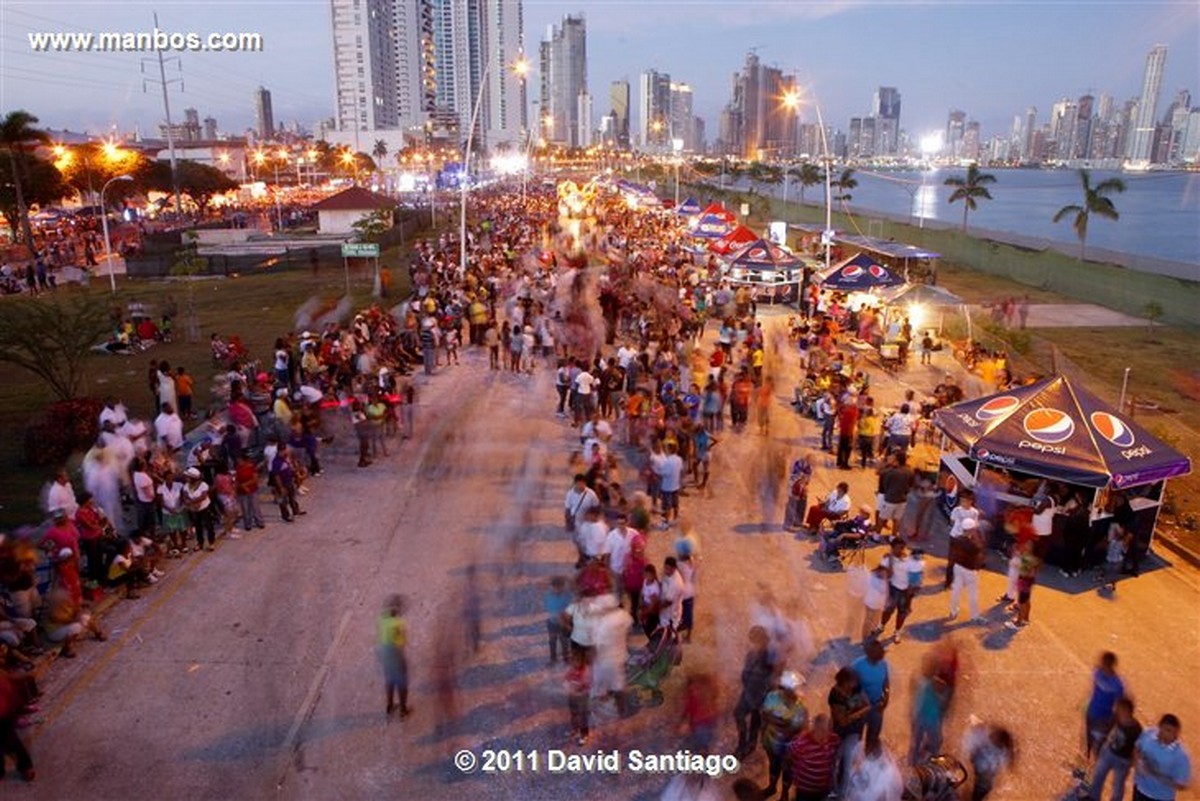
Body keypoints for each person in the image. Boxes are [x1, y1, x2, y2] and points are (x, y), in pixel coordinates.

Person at [760, 670, 808, 799]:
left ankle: (784, 793)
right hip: (772, 740)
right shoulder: (773, 697)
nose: (795, 693)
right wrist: (784, 725)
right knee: (774, 764)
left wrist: (779, 724)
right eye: (793, 689)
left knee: (788, 769)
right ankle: (772, 787)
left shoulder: (800, 706)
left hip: (789, 745)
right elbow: (764, 714)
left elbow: (803, 728)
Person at [733, 626, 775, 760]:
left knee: (754, 721)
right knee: (741, 715)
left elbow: (770, 679)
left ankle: (747, 745)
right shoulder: (752, 654)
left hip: (759, 694)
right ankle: (744, 744)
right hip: (749, 691)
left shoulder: (769, 657)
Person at [1089, 697, 1142, 801]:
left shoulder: (1136, 729)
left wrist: (1131, 763)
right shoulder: (1116, 718)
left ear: (1125, 711)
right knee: (1098, 776)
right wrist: (1101, 745)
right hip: (1109, 752)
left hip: (1123, 761)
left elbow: (1137, 749)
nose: (1115, 709)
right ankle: (1093, 798)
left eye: (1118, 708)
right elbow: (1107, 730)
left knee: (1118, 786)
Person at [829, 667, 871, 796]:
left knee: (847, 764)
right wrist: (860, 713)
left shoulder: (857, 690)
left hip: (855, 733)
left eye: (855, 681)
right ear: (843, 680)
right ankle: (832, 789)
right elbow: (842, 721)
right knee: (832, 761)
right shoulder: (835, 694)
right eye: (851, 681)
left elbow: (867, 704)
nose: (854, 684)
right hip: (839, 732)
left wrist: (855, 714)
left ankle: (841, 793)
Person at [783, 713, 840, 801]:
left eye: (828, 733)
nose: (825, 738)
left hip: (823, 789)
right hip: (804, 790)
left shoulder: (834, 740)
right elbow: (789, 757)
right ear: (814, 729)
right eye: (821, 732)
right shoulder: (801, 743)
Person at [1132, 714, 1190, 801]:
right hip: (1139, 790)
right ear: (1159, 727)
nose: (1172, 735)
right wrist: (1137, 764)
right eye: (1168, 730)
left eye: (1175, 732)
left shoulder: (1181, 756)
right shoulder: (1148, 734)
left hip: (1160, 798)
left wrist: (1155, 774)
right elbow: (1137, 748)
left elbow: (1181, 785)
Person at [1087, 652, 1126, 763]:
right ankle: (1086, 763)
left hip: (1104, 719)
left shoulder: (1117, 684)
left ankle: (1095, 767)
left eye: (1106, 664)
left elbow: (1118, 705)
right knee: (1088, 742)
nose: (1104, 667)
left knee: (1099, 745)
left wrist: (1112, 721)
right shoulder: (1098, 673)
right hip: (1091, 713)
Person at [963, 720, 1015, 800]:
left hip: (983, 774)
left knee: (978, 791)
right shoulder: (1002, 751)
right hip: (983, 773)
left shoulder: (982, 735)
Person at [377, 595, 410, 718]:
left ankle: (390, 705)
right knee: (402, 682)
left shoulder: (382, 618)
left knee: (389, 680)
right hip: (395, 653)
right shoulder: (399, 623)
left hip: (383, 653)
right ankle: (403, 709)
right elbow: (402, 642)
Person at [851, 640, 890, 744]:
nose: (881, 656)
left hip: (877, 706)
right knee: (855, 737)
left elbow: (886, 682)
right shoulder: (857, 666)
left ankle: (869, 755)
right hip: (859, 708)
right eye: (879, 654)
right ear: (869, 654)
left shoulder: (883, 664)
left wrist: (886, 697)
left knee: (873, 737)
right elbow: (849, 687)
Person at [948, 517, 985, 624]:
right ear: (971, 529)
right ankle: (974, 615)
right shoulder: (973, 544)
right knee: (973, 593)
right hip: (970, 570)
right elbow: (979, 549)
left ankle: (953, 611)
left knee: (956, 590)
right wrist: (975, 536)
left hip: (958, 567)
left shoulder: (957, 539)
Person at [878, 538, 914, 643]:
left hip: (905, 591)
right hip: (893, 589)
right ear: (892, 549)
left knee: (902, 613)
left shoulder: (910, 560)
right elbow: (888, 575)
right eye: (899, 548)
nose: (901, 551)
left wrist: (910, 594)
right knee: (888, 611)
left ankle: (897, 632)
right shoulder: (886, 560)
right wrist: (891, 561)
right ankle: (881, 626)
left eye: (903, 548)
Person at [565, 647, 591, 746]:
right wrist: (567, 686)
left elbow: (586, 684)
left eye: (576, 661)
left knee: (583, 717)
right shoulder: (571, 669)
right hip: (572, 696)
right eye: (573, 660)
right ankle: (575, 729)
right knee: (574, 714)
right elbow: (566, 678)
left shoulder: (585, 672)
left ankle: (584, 735)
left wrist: (577, 687)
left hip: (582, 698)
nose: (574, 663)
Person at [544, 577, 572, 664]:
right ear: (552, 587)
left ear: (563, 587)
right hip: (552, 621)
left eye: (560, 587)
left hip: (563, 621)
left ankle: (566, 657)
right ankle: (553, 658)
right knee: (552, 640)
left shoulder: (567, 595)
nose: (558, 589)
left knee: (564, 640)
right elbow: (548, 607)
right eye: (555, 587)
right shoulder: (549, 595)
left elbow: (569, 607)